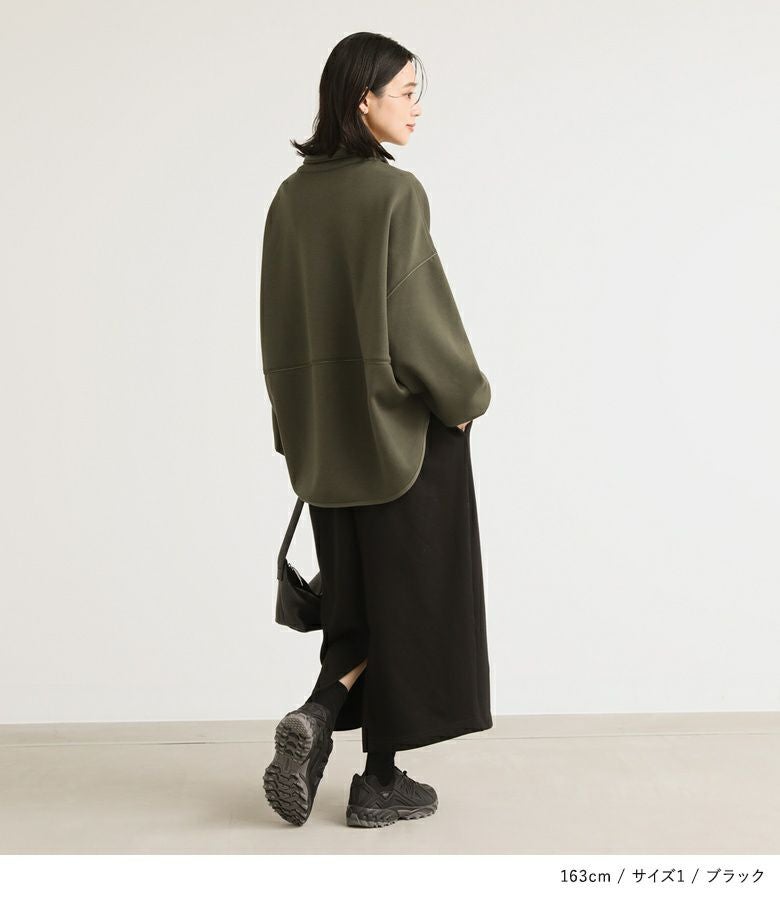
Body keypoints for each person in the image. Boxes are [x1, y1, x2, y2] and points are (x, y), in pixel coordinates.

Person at [259, 32, 493, 828]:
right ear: (364, 101)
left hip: (327, 447)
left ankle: (322, 720)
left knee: (360, 609)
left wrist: (295, 432)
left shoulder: (289, 200)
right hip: (403, 441)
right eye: (406, 93)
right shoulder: (395, 195)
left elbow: (277, 328)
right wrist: (464, 397)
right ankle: (377, 783)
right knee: (414, 608)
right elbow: (417, 317)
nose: (417, 109)